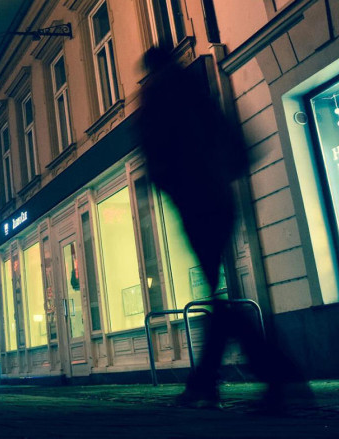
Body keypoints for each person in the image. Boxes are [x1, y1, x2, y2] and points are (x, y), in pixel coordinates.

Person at [137, 47, 307, 411]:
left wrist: (160, 182)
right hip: (217, 195)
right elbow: (226, 134)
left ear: (151, 68)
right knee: (217, 296)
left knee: (220, 299)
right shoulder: (193, 87)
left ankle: (276, 377)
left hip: (197, 200)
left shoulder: (157, 94)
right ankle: (211, 382)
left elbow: (157, 152)